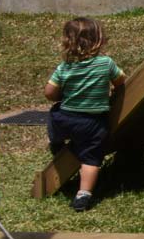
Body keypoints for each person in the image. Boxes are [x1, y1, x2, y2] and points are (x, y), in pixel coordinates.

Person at [44, 17, 125, 212]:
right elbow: (120, 80)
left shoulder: (64, 67)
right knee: (91, 158)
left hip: (67, 119)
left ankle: (56, 141)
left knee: (54, 113)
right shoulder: (106, 63)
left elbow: (49, 93)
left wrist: (61, 92)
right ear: (99, 40)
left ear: (67, 42)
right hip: (93, 123)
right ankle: (83, 194)